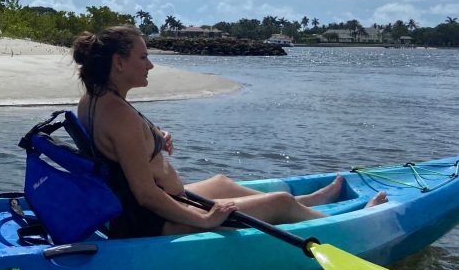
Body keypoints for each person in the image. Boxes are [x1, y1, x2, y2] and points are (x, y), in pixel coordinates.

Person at [71, 26, 387, 238]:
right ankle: (350, 227)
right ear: (119, 62)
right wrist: (205, 220)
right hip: (152, 220)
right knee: (279, 203)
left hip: (152, 205)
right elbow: (145, 194)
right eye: (143, 57)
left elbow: (120, 144)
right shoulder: (116, 113)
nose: (150, 65)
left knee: (222, 182)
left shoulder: (95, 99)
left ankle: (307, 201)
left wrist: (155, 136)